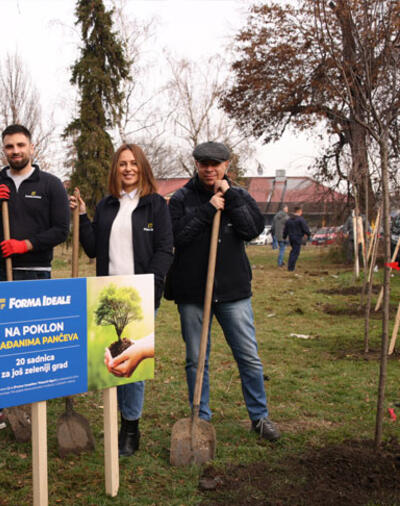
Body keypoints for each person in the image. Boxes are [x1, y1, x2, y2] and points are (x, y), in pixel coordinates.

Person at [167, 141, 281, 442]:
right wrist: (207, 210)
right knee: (196, 358)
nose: (210, 169)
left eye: (216, 164)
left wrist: (230, 197)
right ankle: (200, 417)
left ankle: (259, 416)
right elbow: (177, 236)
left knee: (248, 356)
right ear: (196, 165)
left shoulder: (239, 195)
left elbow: (252, 230)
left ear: (226, 166)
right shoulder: (181, 198)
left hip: (233, 292)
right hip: (193, 292)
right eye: (204, 163)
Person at [0, 124, 70, 436]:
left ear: (32, 147)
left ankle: (27, 406)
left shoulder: (50, 185)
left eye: (21, 145)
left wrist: (27, 245)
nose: (16, 151)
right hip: (0, 271)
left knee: (31, 343)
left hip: (36, 273)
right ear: (4, 150)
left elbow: (61, 229)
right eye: (9, 146)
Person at [70, 143, 173, 456]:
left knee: (135, 367)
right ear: (115, 169)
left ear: (142, 167)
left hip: (140, 293)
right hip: (109, 294)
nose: (128, 169)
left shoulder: (155, 205)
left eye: (133, 163)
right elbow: (92, 248)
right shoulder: (107, 206)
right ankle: (113, 420)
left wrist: (151, 286)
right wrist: (84, 215)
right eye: (122, 164)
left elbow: (165, 249)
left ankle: (131, 428)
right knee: (112, 362)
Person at [283, 206, 311, 272]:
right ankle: (291, 267)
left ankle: (290, 266)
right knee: (295, 252)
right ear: (299, 211)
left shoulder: (289, 220)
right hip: (298, 237)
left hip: (291, 238)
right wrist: (308, 234)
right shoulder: (300, 219)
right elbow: (305, 228)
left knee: (293, 251)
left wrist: (284, 236)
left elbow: (285, 229)